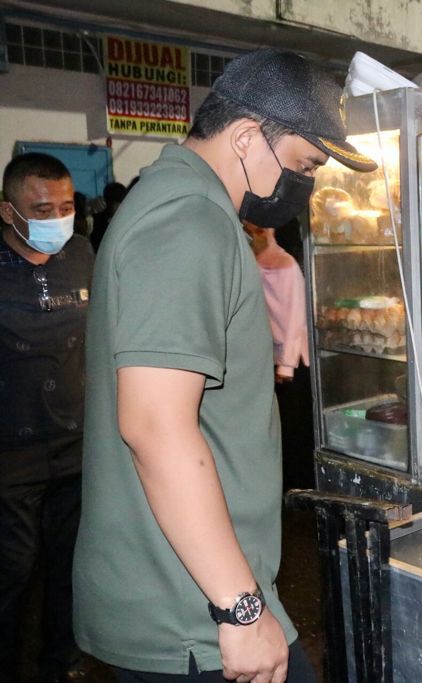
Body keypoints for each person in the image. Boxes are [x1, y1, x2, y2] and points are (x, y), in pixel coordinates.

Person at [73, 48, 376, 681]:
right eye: (303, 164)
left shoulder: (179, 205)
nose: (304, 185)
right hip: (192, 611)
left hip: (194, 591)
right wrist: (240, 609)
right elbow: (155, 428)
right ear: (245, 137)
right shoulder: (190, 224)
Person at [0, 153, 93, 682]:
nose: (57, 219)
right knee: (11, 571)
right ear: (8, 211)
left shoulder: (81, 253)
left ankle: (60, 664)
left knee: (71, 565)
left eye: (65, 207)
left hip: (75, 444)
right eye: (41, 209)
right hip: (10, 453)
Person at [243, 222, 309, 384]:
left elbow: (295, 318)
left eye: (258, 231)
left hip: (293, 360)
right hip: (268, 355)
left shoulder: (286, 265)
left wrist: (286, 366)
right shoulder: (253, 264)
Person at [88, 181, 128, 252]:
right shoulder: (95, 221)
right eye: (110, 201)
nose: (113, 206)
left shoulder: (127, 221)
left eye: (116, 202)